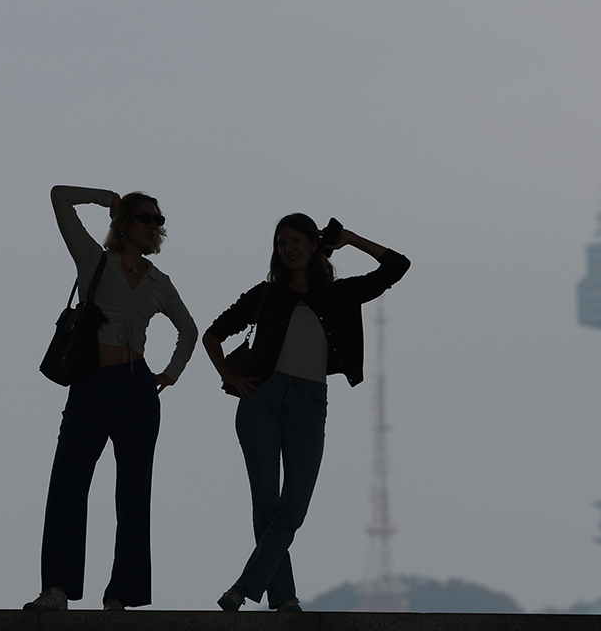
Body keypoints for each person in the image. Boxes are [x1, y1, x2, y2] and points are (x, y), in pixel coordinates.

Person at [203, 214, 409, 612]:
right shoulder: (266, 294)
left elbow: (397, 267)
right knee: (266, 505)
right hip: (262, 398)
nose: (289, 249)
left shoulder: (339, 293)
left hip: (310, 405)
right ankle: (284, 599)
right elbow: (213, 333)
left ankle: (244, 587)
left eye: (296, 240)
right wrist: (227, 373)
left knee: (293, 507)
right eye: (282, 243)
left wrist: (349, 238)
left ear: (314, 244)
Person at [24, 185, 197, 611]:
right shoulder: (95, 260)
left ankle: (123, 593)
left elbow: (188, 330)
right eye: (144, 217)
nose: (153, 226)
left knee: (134, 493)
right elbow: (59, 198)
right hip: (91, 384)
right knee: (67, 483)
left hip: (138, 388)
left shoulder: (161, 282)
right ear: (125, 224)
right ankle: (57, 589)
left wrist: (170, 374)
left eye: (158, 221)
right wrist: (109, 199)